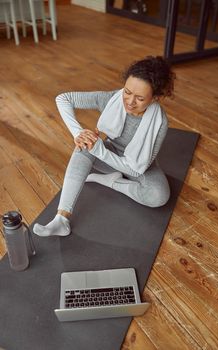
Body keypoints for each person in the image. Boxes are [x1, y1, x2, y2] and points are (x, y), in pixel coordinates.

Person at [33, 56, 176, 237]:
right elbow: (64, 99)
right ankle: (61, 219)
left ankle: (110, 181)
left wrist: (99, 150)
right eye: (127, 92)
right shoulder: (111, 99)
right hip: (110, 153)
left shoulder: (160, 123)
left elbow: (136, 170)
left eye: (140, 98)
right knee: (86, 143)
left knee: (159, 196)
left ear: (156, 97)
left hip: (140, 165)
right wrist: (78, 133)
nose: (130, 102)